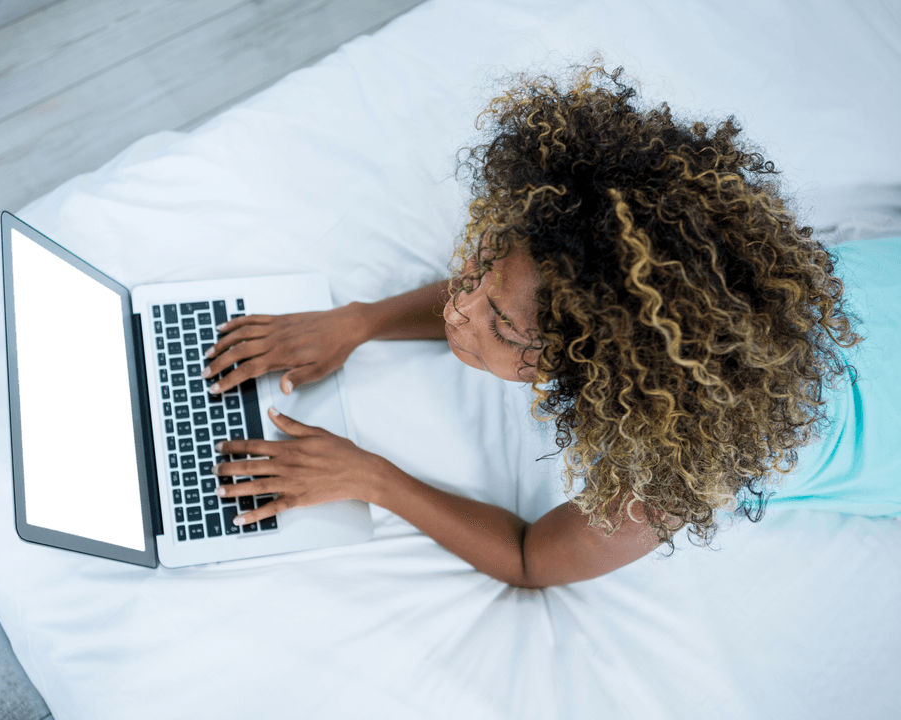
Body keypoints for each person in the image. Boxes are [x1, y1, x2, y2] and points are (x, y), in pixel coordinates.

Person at [200, 63, 898, 589]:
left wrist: (371, 478)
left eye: (497, 325)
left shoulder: (676, 468)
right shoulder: (691, 268)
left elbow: (534, 559)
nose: (456, 310)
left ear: (593, 365)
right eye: (473, 273)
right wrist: (358, 322)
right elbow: (522, 283)